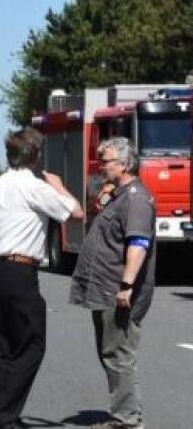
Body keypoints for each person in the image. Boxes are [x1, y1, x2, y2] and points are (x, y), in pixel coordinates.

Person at [0, 128, 85, 429]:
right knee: (32, 344)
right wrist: (59, 186)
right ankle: (5, 418)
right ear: (35, 157)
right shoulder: (35, 187)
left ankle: (4, 414)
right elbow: (77, 213)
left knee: (8, 345)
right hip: (20, 270)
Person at [69, 137, 155, 429]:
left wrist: (127, 285)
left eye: (105, 161)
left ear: (124, 164)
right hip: (105, 287)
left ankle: (127, 420)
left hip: (117, 290)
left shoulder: (136, 199)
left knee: (118, 354)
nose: (101, 166)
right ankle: (124, 415)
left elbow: (138, 244)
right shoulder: (119, 194)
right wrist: (104, 197)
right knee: (110, 353)